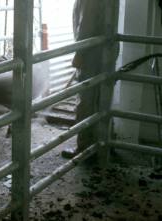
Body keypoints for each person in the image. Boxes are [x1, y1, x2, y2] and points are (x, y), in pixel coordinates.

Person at [62, 0, 105, 158]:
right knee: (102, 96)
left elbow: (85, 24)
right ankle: (103, 142)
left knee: (86, 99)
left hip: (91, 54)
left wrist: (79, 54)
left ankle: (84, 147)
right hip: (105, 51)